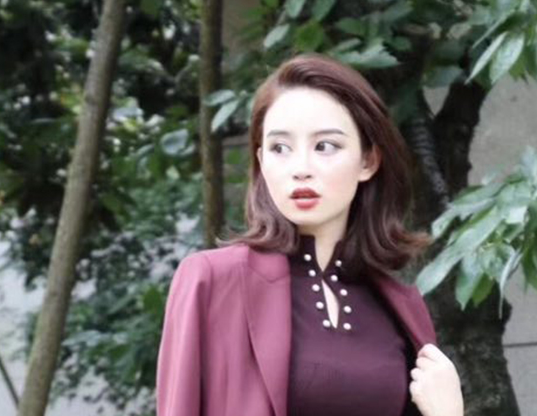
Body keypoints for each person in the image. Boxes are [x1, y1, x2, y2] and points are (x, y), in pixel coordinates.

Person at [156, 52, 464, 416]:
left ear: (368, 161)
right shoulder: (211, 281)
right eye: (280, 148)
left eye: (325, 146)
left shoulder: (402, 306)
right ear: (261, 161)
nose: (300, 168)